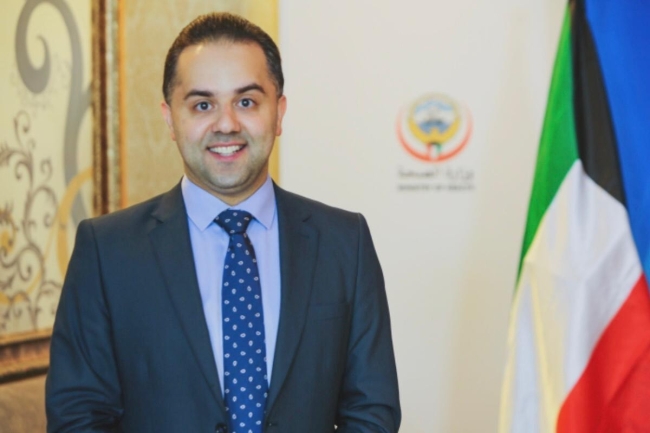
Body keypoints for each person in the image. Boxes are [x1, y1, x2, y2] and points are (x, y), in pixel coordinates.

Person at [46, 12, 400, 433]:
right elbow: (78, 416)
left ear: (279, 112)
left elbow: (372, 411)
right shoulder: (106, 252)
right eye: (202, 105)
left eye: (246, 102)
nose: (227, 124)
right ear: (170, 119)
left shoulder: (345, 242)